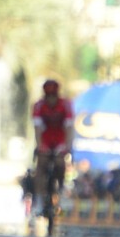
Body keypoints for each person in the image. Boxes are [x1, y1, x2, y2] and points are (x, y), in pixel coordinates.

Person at [32, 79, 73, 212]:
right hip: (45, 140)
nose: (50, 99)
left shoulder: (65, 105)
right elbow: (37, 128)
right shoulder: (39, 106)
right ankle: (38, 200)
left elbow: (69, 128)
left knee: (60, 164)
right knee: (41, 166)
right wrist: (40, 146)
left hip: (60, 139)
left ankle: (61, 192)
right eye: (48, 96)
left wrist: (67, 146)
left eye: (53, 96)